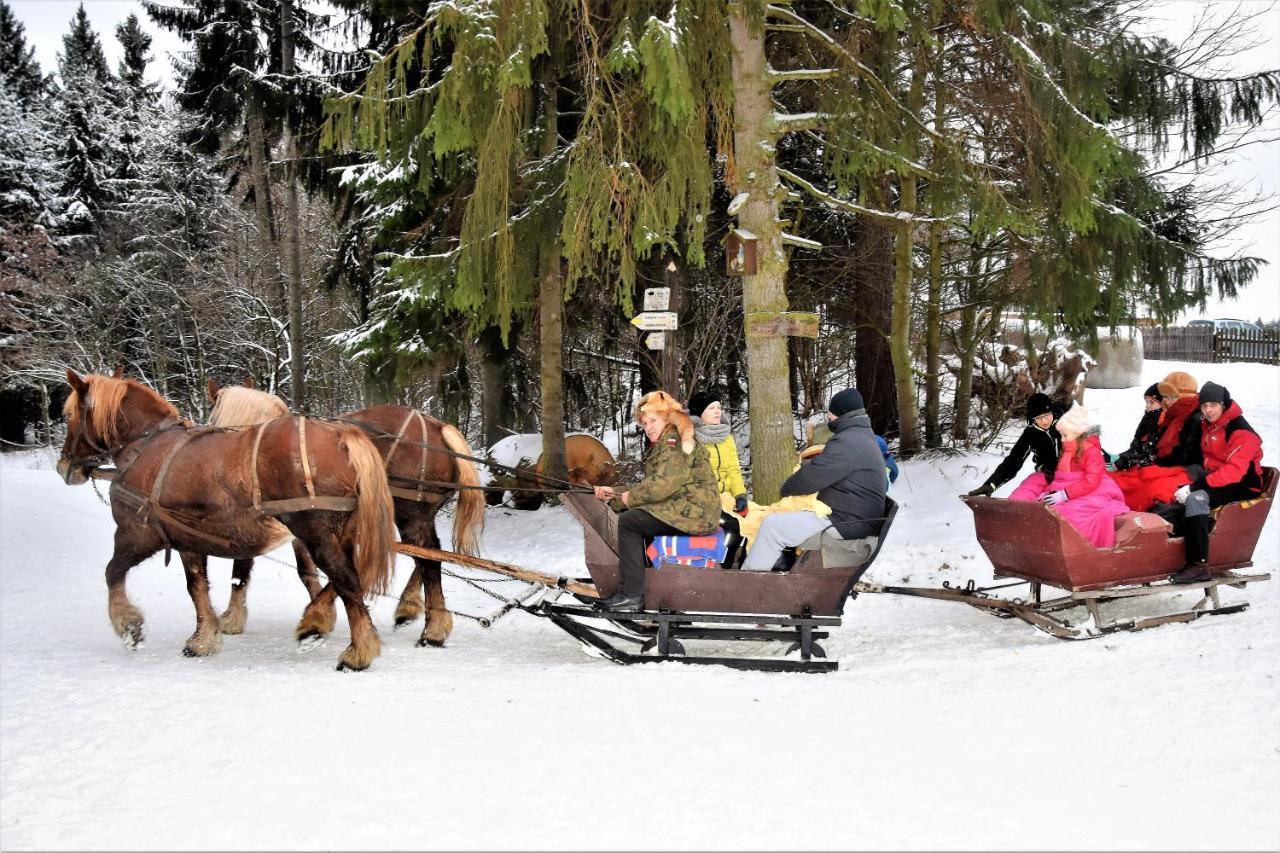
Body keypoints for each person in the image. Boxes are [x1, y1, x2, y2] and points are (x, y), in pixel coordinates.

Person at [591, 390, 721, 610]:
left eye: (653, 420)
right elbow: (655, 484)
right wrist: (614, 492)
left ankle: (633, 595)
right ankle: (652, 583)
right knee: (635, 517)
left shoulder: (673, 441)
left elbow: (662, 487)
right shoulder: (668, 440)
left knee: (630, 522)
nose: (648, 427)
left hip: (695, 513)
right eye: (644, 423)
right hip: (686, 508)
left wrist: (629, 499)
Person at [740, 388, 887, 571]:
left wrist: (787, 486)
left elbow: (814, 476)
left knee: (772, 526)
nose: (828, 417)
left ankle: (747, 581)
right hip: (855, 517)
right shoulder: (860, 437)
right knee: (779, 519)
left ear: (842, 414)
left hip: (848, 522)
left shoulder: (848, 441)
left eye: (831, 413)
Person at [1167, 381, 1265, 583]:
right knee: (1172, 490)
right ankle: (1174, 552)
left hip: (1244, 486)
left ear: (1224, 405)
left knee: (1196, 499)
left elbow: (1233, 472)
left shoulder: (1241, 432)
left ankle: (1199, 564)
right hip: (1221, 480)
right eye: (1204, 405)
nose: (1208, 410)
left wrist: (1196, 486)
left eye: (1213, 405)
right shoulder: (1211, 425)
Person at [1008, 402, 1131, 548]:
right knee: (1042, 503)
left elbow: (1092, 480)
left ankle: (1072, 544)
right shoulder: (1064, 450)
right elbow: (1060, 476)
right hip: (1068, 487)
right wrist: (1052, 490)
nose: (1062, 439)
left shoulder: (1091, 451)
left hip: (1093, 490)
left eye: (1065, 435)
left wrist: (1064, 495)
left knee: (1070, 512)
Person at [1106, 371, 1201, 511]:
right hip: (1168, 466)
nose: (1166, 402)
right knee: (1130, 478)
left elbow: (1179, 455)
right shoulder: (1170, 417)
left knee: (1148, 486)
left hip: (1187, 470)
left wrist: (1141, 461)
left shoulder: (1192, 418)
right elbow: (1144, 447)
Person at [687, 388, 749, 567]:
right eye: (711, 408)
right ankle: (724, 569)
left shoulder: (726, 438)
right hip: (702, 501)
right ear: (699, 414)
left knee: (755, 521)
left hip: (727, 498)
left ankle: (746, 566)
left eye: (719, 407)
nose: (717, 411)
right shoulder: (690, 440)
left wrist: (740, 495)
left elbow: (733, 470)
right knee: (735, 527)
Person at [965, 392, 1063, 497]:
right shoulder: (1031, 434)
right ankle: (1016, 507)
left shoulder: (1067, 424)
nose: (1044, 421)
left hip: (1070, 474)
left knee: (1057, 495)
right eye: (1039, 418)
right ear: (1032, 419)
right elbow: (1013, 461)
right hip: (1045, 475)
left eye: (1047, 415)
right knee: (1024, 491)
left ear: (1052, 411)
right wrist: (991, 484)